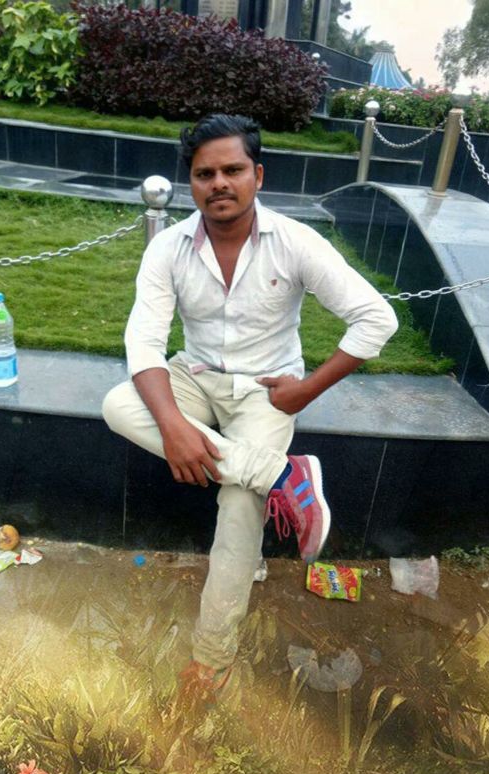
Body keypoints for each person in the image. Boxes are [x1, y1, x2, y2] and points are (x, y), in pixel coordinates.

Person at [102, 113, 398, 701]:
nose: (219, 183)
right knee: (118, 404)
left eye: (232, 170)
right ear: (191, 183)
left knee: (240, 505)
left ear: (257, 176)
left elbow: (377, 318)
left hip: (267, 391)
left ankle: (211, 660)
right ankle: (282, 477)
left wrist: (306, 390)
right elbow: (144, 345)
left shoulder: (294, 241)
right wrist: (173, 426)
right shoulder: (168, 248)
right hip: (194, 376)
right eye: (204, 174)